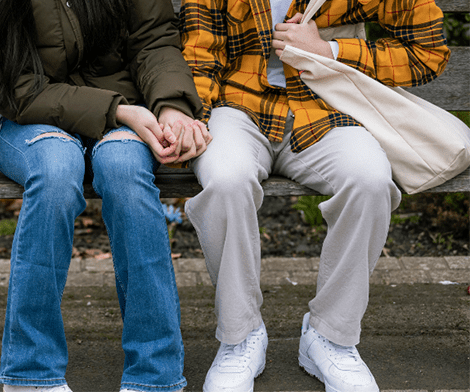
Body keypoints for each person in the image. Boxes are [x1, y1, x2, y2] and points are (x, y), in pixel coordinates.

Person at [0, 1, 212, 391]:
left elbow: (154, 38)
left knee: (125, 170)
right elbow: (13, 86)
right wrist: (120, 112)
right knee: (56, 171)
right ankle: (31, 374)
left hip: (127, 105)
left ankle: (155, 376)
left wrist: (171, 107)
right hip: (27, 116)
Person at [180, 0, 450, 390]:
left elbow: (429, 52)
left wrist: (332, 50)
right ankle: (240, 337)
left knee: (370, 180)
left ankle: (330, 337)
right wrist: (193, 119)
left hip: (323, 104)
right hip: (236, 105)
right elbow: (198, 55)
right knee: (225, 180)